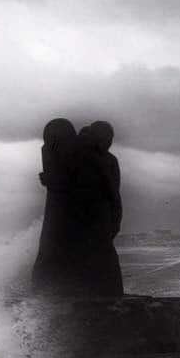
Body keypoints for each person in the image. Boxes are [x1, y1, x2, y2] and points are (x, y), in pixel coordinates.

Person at [63, 121, 124, 296]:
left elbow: (114, 192)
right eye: (107, 138)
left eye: (111, 139)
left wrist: (115, 219)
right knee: (92, 257)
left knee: (103, 256)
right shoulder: (83, 156)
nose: (109, 142)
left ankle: (107, 293)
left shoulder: (109, 160)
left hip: (101, 215)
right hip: (87, 215)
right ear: (97, 137)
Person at [31, 118, 76, 293]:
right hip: (61, 208)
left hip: (61, 209)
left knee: (51, 250)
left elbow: (65, 180)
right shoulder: (54, 150)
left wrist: (51, 179)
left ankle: (45, 287)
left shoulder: (53, 150)